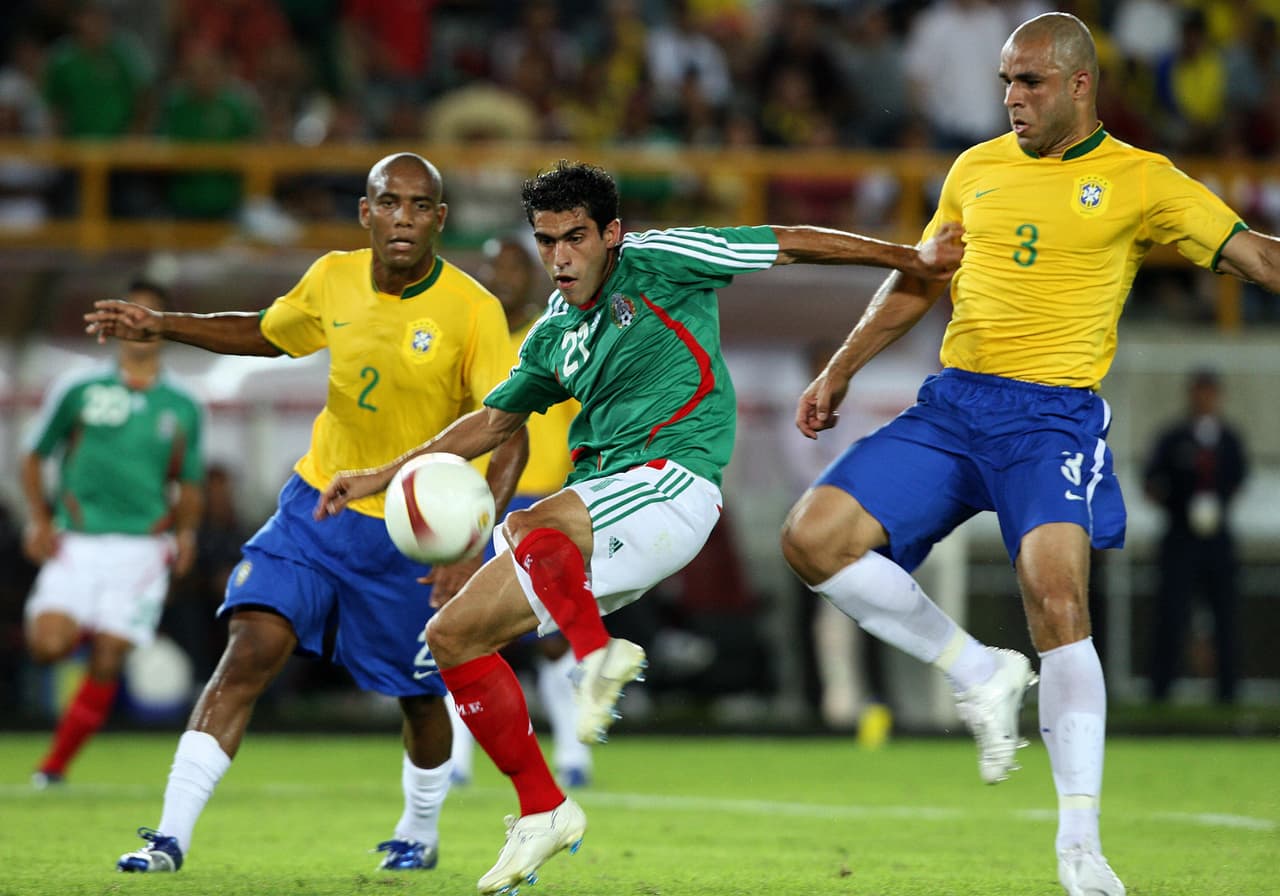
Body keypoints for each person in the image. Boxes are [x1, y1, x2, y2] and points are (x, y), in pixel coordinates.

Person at [315, 159, 963, 894]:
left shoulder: (663, 260)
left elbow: (786, 240)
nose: (560, 257)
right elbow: (494, 420)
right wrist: (381, 475)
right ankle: (542, 809)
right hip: (608, 508)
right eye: (547, 240)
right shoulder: (554, 332)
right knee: (451, 638)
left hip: (674, 484)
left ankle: (593, 655)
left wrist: (911, 257)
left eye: (575, 238)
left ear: (612, 234)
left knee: (529, 522)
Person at [777, 13, 1280, 896]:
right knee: (812, 538)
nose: (1011, 97)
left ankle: (1079, 847)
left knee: (1056, 601)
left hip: (1050, 422)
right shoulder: (976, 168)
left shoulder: (1142, 179)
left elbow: (1256, 260)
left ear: (1081, 85)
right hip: (954, 404)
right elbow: (922, 277)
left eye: (1030, 82)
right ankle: (979, 670)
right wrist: (840, 369)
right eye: (1006, 81)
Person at [84, 153, 528, 874]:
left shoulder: (473, 310)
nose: (404, 219)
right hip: (319, 506)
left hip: (410, 539)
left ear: (440, 220)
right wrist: (161, 323)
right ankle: (168, 838)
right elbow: (264, 330)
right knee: (249, 648)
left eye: (421, 206)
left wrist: (467, 546)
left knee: (419, 700)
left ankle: (419, 830)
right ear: (366, 212)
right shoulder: (333, 276)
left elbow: (510, 432)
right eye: (390, 203)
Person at [23, 279, 203, 789]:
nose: (137, 324)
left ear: (163, 329)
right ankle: (92, 622)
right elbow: (35, 455)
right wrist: (38, 519)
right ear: (115, 325)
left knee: (108, 657)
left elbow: (188, 483)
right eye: (129, 314)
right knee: (48, 646)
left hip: (143, 550)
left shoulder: (182, 406)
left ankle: (53, 767)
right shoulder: (79, 390)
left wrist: (187, 533)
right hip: (75, 541)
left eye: (149, 316)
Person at [448, 233, 591, 788]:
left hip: (544, 503)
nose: (504, 275)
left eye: (515, 266)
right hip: (477, 507)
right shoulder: (470, 340)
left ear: (534, 275)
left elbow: (589, 419)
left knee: (555, 636)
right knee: (463, 629)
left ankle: (574, 753)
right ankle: (457, 759)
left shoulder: (558, 335)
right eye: (494, 266)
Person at [1143, 368, 1248, 704]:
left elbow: (1239, 479)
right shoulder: (1172, 438)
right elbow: (1151, 481)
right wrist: (1175, 504)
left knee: (1226, 615)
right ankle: (1161, 690)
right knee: (1171, 614)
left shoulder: (1230, 439)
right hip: (1179, 538)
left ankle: (1228, 692)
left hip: (1218, 540)